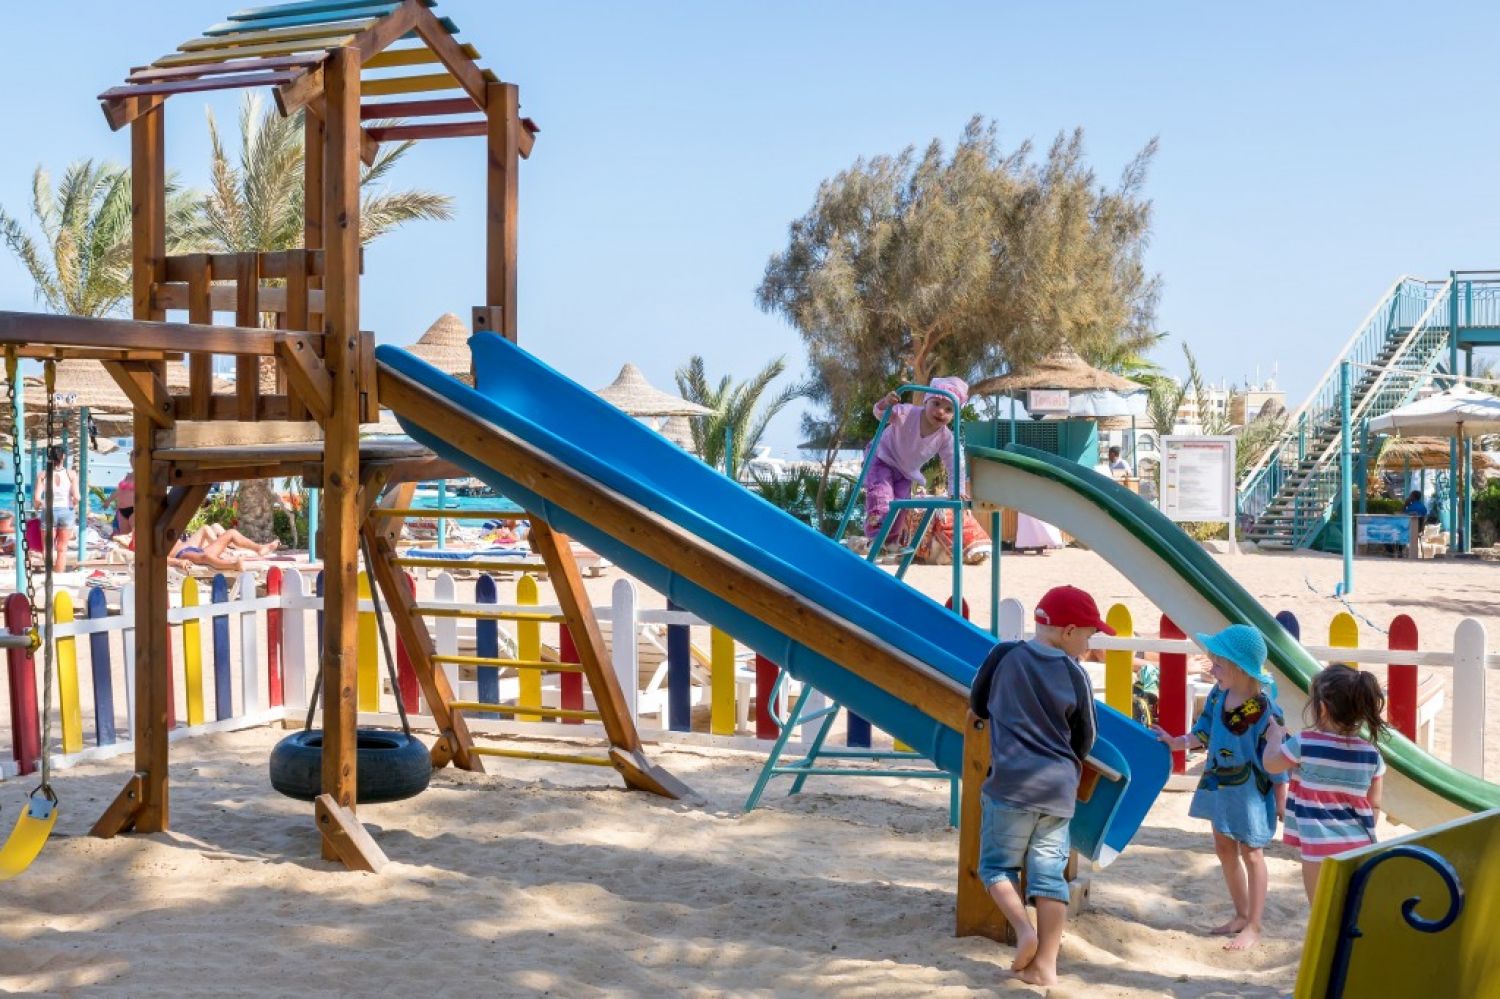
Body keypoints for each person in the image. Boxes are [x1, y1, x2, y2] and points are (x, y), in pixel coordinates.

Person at [968, 585, 1107, 987]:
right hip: (1057, 791)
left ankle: (1023, 930)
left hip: (1009, 786)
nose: (1089, 644)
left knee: (997, 867)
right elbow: (1086, 736)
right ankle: (1046, 964)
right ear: (1068, 631)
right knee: (1049, 878)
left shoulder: (1003, 656)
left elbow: (979, 703)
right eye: (1088, 635)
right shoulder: (1074, 674)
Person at [1153, 624, 1285, 951]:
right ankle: (1241, 914)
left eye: (1218, 664)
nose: (1212, 670)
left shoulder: (1266, 711)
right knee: (1224, 848)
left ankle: (1254, 925)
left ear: (1240, 668)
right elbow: (1204, 731)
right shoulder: (1218, 695)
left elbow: (1279, 758)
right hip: (1219, 787)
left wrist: (1282, 800)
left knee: (1252, 853)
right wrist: (1177, 742)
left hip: (1251, 793)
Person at [1262, 666, 1386, 903]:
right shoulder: (1372, 754)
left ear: (1322, 708)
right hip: (1359, 845)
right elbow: (1375, 804)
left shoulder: (1305, 743)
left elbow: (1272, 764)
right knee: (1348, 908)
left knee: (1320, 909)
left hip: (1318, 845)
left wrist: (1274, 738)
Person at [864, 377, 968, 549]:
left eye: (949, 409)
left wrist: (957, 490)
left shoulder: (946, 437)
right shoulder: (907, 412)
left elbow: (955, 463)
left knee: (901, 505)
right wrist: (886, 403)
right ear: (926, 401)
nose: (941, 411)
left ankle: (890, 541)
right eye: (936, 404)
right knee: (881, 495)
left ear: (954, 415)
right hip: (881, 457)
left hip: (905, 471)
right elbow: (881, 414)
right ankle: (876, 537)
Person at [33, 445, 79, 573]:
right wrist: (74, 505)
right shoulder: (71, 474)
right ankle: (59, 573)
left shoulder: (43, 475)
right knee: (62, 548)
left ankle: (49, 575)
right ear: (63, 456)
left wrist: (38, 507)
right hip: (66, 511)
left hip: (49, 511)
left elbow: (37, 498)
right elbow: (77, 496)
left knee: (48, 548)